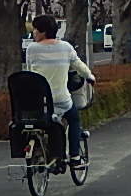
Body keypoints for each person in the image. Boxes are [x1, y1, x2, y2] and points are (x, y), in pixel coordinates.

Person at [23, 14, 94, 168]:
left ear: (43, 32)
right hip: (61, 99)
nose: (34, 32)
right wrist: (90, 76)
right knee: (74, 119)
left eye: (35, 29)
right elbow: (79, 65)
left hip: (40, 101)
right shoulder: (66, 47)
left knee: (43, 121)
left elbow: (30, 72)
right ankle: (75, 156)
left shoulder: (31, 49)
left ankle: (42, 151)